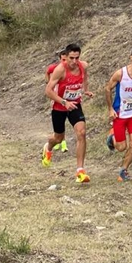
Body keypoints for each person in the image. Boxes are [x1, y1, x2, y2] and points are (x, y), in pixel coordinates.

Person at [45, 43, 90, 183]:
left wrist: (86, 89)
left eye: (77, 58)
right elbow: (48, 91)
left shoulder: (83, 66)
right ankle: (48, 147)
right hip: (59, 107)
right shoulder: (60, 70)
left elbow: (85, 77)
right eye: (71, 58)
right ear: (66, 56)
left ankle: (80, 171)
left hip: (75, 105)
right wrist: (64, 102)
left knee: (81, 133)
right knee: (58, 138)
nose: (74, 61)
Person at [105, 47, 132, 181]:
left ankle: (123, 170)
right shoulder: (120, 74)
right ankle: (111, 137)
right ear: (131, 58)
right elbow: (107, 89)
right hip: (120, 114)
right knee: (121, 147)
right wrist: (110, 109)